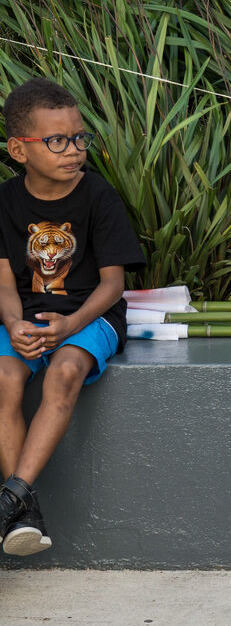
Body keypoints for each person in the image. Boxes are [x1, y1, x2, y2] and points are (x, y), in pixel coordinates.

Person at [0, 78, 145, 556]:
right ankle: (25, 515)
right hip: (24, 320)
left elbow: (113, 285)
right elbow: (4, 284)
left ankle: (10, 500)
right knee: (3, 378)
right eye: (57, 140)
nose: (74, 150)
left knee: (64, 373)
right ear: (19, 150)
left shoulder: (98, 196)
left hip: (90, 317)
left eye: (79, 138)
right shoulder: (4, 201)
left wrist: (72, 324)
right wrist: (14, 325)